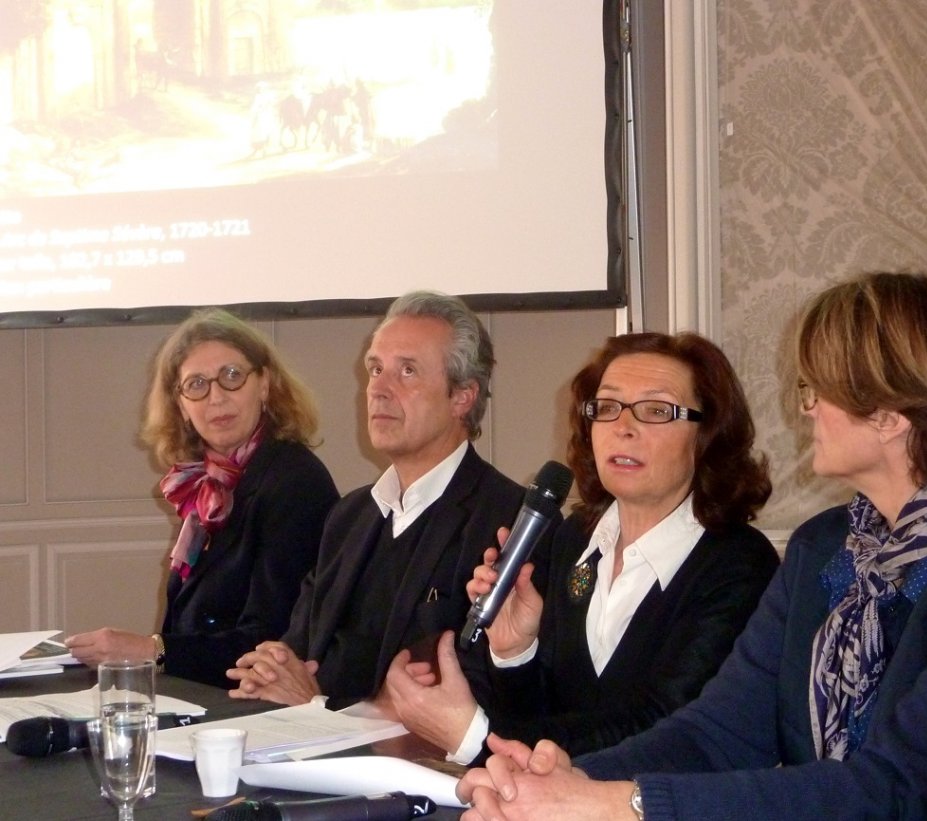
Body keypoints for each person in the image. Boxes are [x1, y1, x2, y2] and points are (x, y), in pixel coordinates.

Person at [457, 271, 927, 821]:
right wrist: (561, 783)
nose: (807, 407)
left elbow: (900, 791)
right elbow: (717, 733)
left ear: (890, 412)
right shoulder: (825, 548)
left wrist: (614, 804)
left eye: (820, 387)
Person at [384, 332, 778, 765]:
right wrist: (516, 652)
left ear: (709, 434)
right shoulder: (572, 538)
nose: (623, 428)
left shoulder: (738, 564)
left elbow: (664, 726)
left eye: (655, 411)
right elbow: (545, 715)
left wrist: (478, 737)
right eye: (607, 408)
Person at [225, 291, 528, 708]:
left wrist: (315, 710)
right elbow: (298, 649)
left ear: (462, 396)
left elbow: (478, 698)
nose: (378, 390)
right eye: (375, 369)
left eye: (407, 371)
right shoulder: (348, 516)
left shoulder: (508, 521)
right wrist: (272, 671)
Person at [66, 308, 339, 687]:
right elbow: (186, 621)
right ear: (180, 405)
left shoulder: (294, 481)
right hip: (204, 697)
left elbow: (271, 643)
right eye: (196, 384)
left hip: (254, 711)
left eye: (232, 376)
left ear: (265, 384)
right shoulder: (211, 483)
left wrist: (151, 650)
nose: (216, 397)